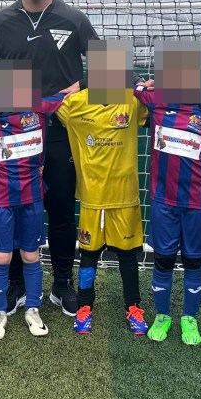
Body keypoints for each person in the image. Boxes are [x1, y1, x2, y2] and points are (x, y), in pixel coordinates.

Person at [0, 0, 98, 317]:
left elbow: (111, 63)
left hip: (59, 130)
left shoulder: (73, 18)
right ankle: (17, 286)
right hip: (15, 133)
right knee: (17, 208)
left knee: (59, 207)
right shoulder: (1, 21)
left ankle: (60, 284)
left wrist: (83, 83)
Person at [55, 39, 150, 335]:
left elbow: (164, 106)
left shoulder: (132, 103)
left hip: (125, 196)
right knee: (89, 255)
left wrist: (146, 88)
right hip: (92, 198)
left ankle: (133, 307)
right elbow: (38, 102)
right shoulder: (74, 104)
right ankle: (85, 306)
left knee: (127, 254)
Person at [133, 40, 201, 345]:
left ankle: (189, 319)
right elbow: (126, 81)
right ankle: (163, 315)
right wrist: (142, 82)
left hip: (196, 201)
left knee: (193, 262)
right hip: (163, 199)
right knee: (163, 260)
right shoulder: (156, 99)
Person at [0, 60, 70, 340]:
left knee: (31, 255)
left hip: (32, 196)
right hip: (3, 197)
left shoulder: (41, 107)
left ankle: (33, 309)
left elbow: (72, 92)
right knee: (2, 256)